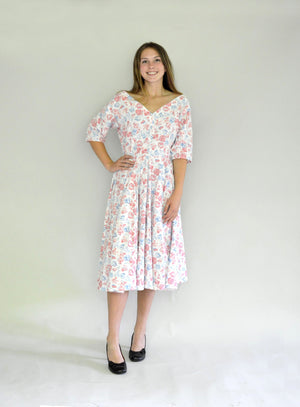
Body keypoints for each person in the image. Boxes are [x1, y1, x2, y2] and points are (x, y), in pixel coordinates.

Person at [85, 41, 193, 374]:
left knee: (152, 264)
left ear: (165, 65)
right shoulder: (123, 101)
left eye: (156, 60)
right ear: (138, 67)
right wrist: (109, 163)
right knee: (121, 265)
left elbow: (182, 151)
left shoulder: (179, 104)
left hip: (161, 191)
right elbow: (94, 131)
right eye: (144, 61)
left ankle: (139, 333)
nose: (150, 66)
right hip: (127, 192)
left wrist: (177, 193)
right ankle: (112, 338)